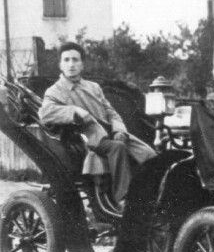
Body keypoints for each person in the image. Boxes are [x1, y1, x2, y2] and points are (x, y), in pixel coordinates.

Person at [39, 42, 157, 204]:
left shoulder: (94, 87)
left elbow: (111, 112)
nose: (71, 64)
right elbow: (45, 113)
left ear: (82, 65)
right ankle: (123, 198)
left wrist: (119, 130)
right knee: (118, 148)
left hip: (110, 133)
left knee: (149, 154)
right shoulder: (55, 91)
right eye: (66, 60)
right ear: (60, 65)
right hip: (89, 138)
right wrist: (74, 111)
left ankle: (149, 198)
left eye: (75, 60)